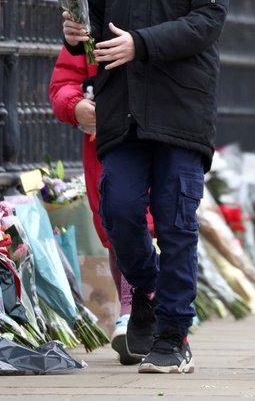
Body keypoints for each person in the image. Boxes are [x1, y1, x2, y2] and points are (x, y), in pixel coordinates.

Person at [62, 0, 229, 374]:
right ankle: (153, 300)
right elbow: (90, 27)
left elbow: (207, 21)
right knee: (121, 210)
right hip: (122, 108)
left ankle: (173, 335)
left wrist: (142, 44)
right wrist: (76, 33)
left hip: (182, 107)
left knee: (177, 221)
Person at [48, 45, 155, 366]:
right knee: (118, 223)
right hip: (109, 140)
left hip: (162, 130)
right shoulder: (94, 24)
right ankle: (137, 310)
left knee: (157, 221)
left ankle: (142, 313)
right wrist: (76, 105)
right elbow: (65, 80)